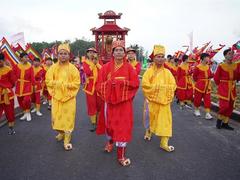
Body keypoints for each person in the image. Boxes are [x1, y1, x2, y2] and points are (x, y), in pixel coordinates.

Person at [96, 40, 139, 166]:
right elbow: (98, 85)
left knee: (122, 128)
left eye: (121, 50)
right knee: (109, 126)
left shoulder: (130, 68)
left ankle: (121, 155)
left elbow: (135, 84)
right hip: (109, 103)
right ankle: (110, 142)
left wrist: (120, 84)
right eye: (116, 50)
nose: (119, 52)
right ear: (112, 53)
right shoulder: (105, 68)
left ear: (124, 53)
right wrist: (110, 85)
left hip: (124, 104)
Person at [46, 43, 80, 150]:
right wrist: (57, 84)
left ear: (68, 55)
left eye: (65, 54)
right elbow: (48, 81)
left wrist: (64, 85)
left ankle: (67, 139)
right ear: (57, 55)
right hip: (56, 98)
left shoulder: (73, 69)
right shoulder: (52, 68)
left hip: (69, 98)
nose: (63, 56)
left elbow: (76, 83)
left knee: (68, 120)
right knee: (56, 119)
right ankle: (61, 133)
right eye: (61, 53)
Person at [142, 45, 176, 152]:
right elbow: (145, 85)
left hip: (164, 102)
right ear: (154, 58)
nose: (160, 59)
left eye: (162, 56)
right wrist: (159, 90)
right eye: (158, 56)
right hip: (151, 101)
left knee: (165, 121)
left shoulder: (168, 72)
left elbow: (173, 86)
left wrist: (162, 91)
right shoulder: (149, 72)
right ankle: (148, 131)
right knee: (150, 118)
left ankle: (164, 143)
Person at [214, 48, 237, 130]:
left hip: (232, 88)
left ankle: (225, 123)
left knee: (230, 106)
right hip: (224, 88)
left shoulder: (235, 65)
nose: (231, 55)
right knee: (224, 106)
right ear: (225, 55)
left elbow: (237, 76)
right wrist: (221, 86)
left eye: (232, 53)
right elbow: (216, 78)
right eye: (229, 53)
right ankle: (219, 120)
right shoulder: (221, 66)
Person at [82, 48, 103, 132]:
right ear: (87, 54)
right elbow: (87, 72)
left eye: (93, 52)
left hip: (99, 85)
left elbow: (103, 70)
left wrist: (96, 62)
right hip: (90, 86)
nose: (92, 54)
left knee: (100, 103)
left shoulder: (99, 61)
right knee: (91, 104)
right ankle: (94, 123)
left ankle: (100, 121)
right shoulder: (85, 62)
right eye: (90, 52)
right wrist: (93, 64)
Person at [14, 52, 34, 122]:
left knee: (27, 99)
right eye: (25, 57)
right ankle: (24, 112)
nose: (27, 58)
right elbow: (13, 76)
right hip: (19, 85)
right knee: (20, 100)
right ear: (21, 58)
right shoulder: (16, 66)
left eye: (27, 57)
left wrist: (34, 85)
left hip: (27, 84)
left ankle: (28, 112)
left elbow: (32, 77)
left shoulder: (30, 66)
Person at [193, 53, 214, 119]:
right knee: (197, 99)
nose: (208, 58)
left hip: (207, 86)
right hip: (199, 86)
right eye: (207, 57)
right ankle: (196, 110)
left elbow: (210, 75)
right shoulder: (197, 67)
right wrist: (199, 82)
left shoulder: (208, 66)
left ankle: (207, 113)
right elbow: (194, 77)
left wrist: (214, 74)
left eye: (208, 57)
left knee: (208, 99)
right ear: (203, 58)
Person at [0, 53, 17, 134]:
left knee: (9, 112)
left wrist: (6, 87)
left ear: (3, 60)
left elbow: (13, 82)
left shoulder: (9, 69)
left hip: (7, 94)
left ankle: (11, 128)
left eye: (0, 61)